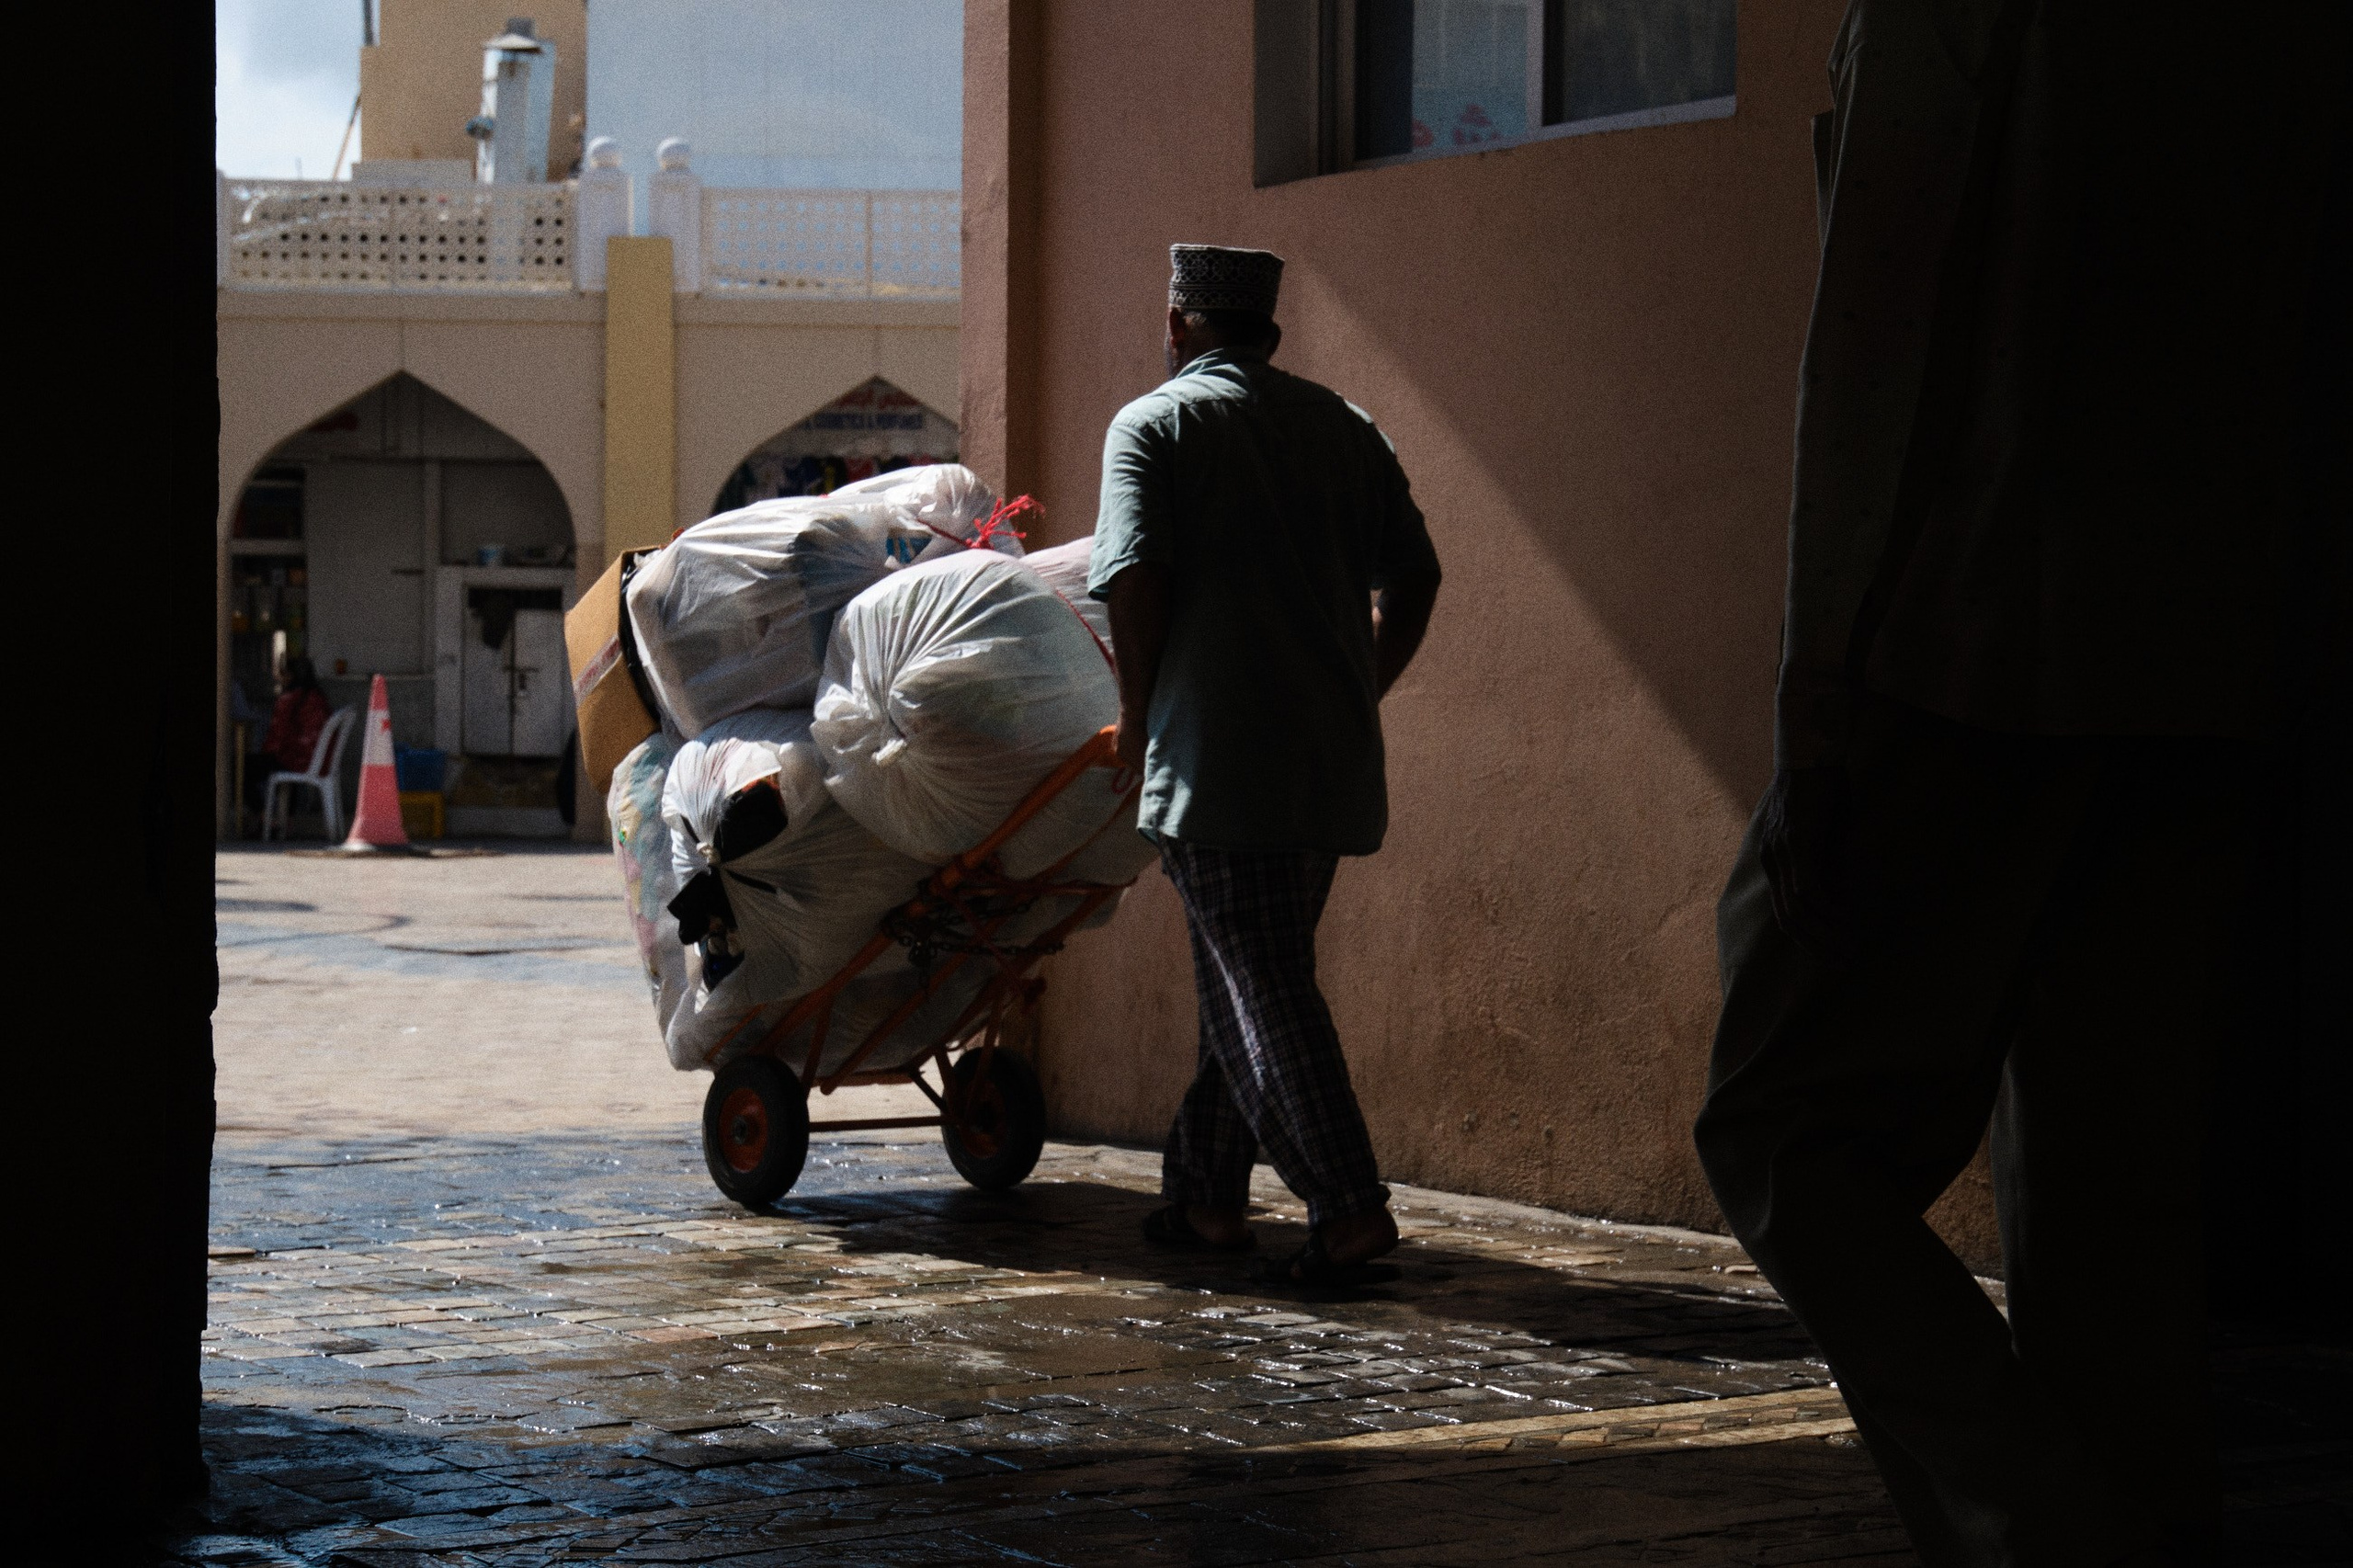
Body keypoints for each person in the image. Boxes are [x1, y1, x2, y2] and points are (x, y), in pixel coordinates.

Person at [1691, 5, 2346, 1565]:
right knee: (2108, 1199)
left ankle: (2048, 1536)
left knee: (1785, 1128)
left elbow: (1880, 365)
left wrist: (1820, 690)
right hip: (2211, 654)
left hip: (1969, 644)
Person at [1089, 244, 1442, 1288]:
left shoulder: (1152, 425)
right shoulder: (1343, 427)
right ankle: (1205, 1198)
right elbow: (1415, 580)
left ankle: (1347, 1205)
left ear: (1177, 325)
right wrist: (1357, 690)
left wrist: (1135, 713)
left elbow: (1135, 577)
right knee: (1245, 969)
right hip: (1323, 767)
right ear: (1269, 331)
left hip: (1216, 761)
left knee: (1267, 985)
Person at [267, 655, 331, 778]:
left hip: (298, 760)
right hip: (320, 761)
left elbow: (276, 739)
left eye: (282, 674)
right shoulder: (317, 697)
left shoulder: (289, 699)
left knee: (237, 767)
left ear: (290, 675)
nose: (280, 679)